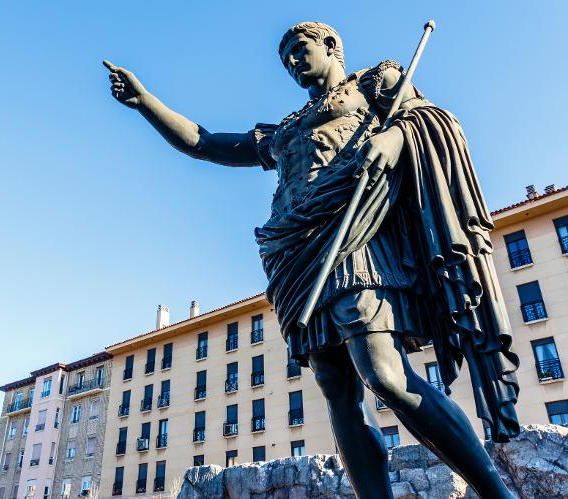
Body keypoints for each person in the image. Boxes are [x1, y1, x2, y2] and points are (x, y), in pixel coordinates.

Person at [104, 22, 519, 498]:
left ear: (330, 46)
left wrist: (396, 138)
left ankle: (496, 493)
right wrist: (146, 104)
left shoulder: (374, 83)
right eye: (285, 60)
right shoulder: (283, 130)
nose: (293, 63)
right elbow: (204, 142)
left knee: (384, 373)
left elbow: (429, 120)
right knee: (337, 391)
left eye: (300, 51)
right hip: (296, 256)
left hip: (355, 240)